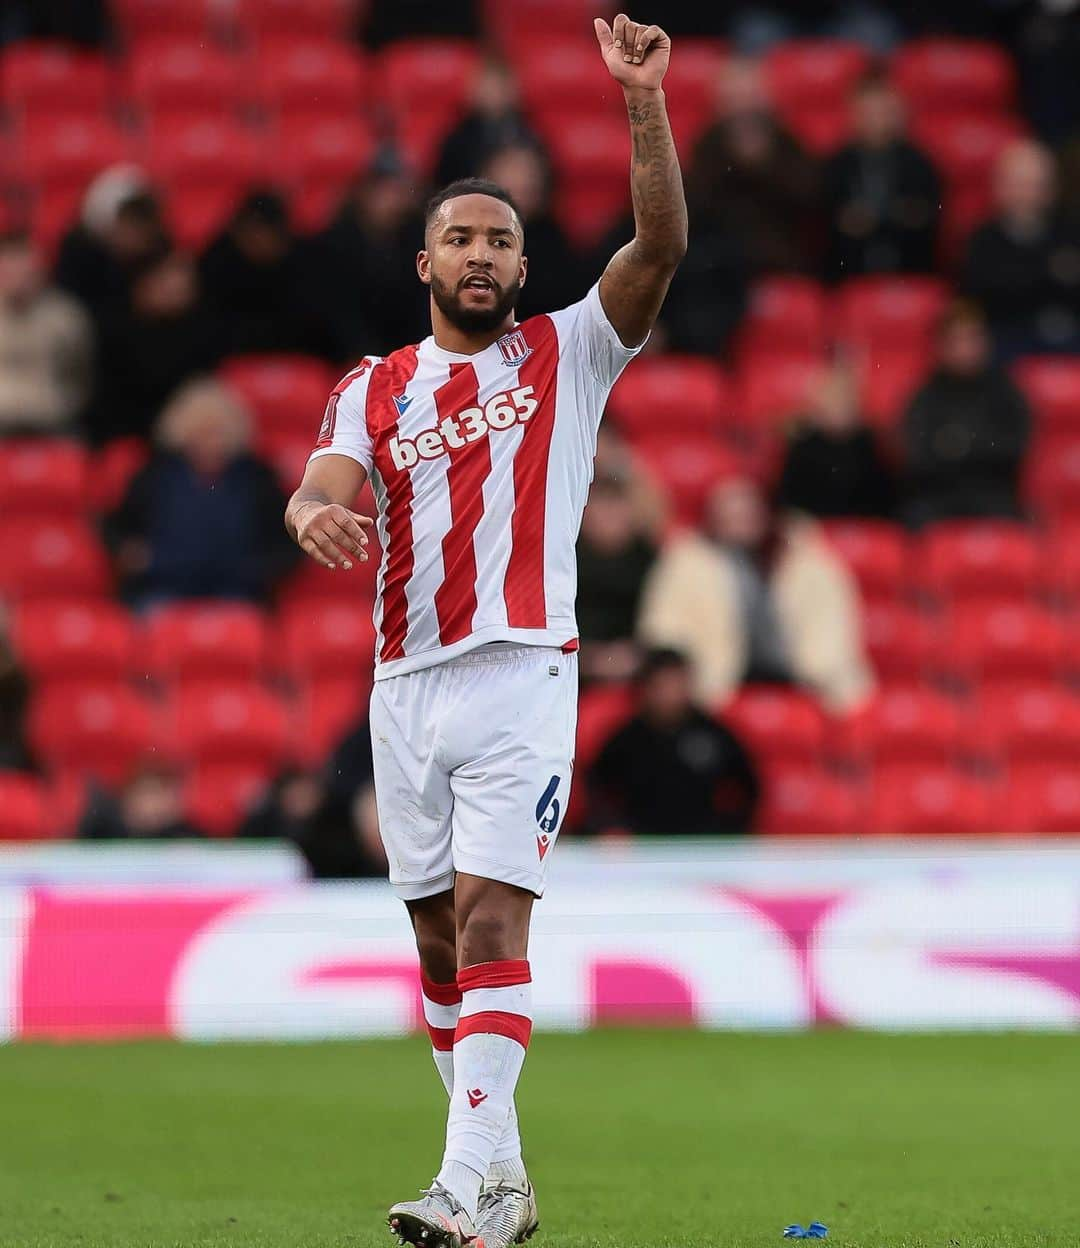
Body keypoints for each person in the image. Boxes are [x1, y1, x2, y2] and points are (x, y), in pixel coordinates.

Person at [283, 15, 686, 1246]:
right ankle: (502, 1180)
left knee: (496, 917)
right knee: (438, 939)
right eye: (459, 236)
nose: (480, 253)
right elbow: (323, 482)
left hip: (522, 669)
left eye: (500, 240)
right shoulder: (375, 383)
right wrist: (311, 513)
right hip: (403, 684)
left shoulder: (571, 351)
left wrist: (641, 105)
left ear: (520, 267)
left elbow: (661, 242)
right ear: (424, 262)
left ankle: (464, 1187)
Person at [639, 475, 872, 711]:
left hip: (799, 680)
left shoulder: (808, 562)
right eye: (728, 516)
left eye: (746, 515)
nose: (738, 524)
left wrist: (814, 672)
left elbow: (830, 629)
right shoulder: (685, 563)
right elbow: (665, 630)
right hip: (717, 683)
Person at [105, 379, 298, 607]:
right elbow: (118, 528)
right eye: (201, 431)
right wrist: (132, 554)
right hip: (162, 588)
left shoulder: (257, 476)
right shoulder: (155, 473)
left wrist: (260, 567)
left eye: (217, 431)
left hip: (237, 592)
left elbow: (287, 539)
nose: (209, 441)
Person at [588, 647, 760, 835]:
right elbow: (598, 791)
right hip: (640, 846)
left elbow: (747, 787)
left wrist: (727, 831)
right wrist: (611, 827)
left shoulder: (714, 734)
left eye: (677, 684)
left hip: (703, 844)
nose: (671, 695)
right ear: (646, 688)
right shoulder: (627, 739)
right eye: (663, 685)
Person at [900, 300, 1031, 528]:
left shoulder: (1005, 392)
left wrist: (956, 446)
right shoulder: (925, 396)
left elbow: (1014, 448)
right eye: (956, 341)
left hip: (994, 497)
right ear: (940, 346)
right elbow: (918, 457)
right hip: (938, 499)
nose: (964, 349)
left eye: (971, 339)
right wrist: (977, 445)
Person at [686, 54, 821, 275]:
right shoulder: (704, 151)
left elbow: (810, 203)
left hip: (784, 263)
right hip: (719, 268)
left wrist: (764, 166)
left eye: (751, 97)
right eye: (735, 98)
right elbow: (696, 209)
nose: (744, 107)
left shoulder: (789, 146)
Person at [962, 139, 1080, 361]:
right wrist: (1051, 273)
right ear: (999, 187)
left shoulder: (1071, 233)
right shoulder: (983, 239)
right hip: (1007, 340)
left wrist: (1023, 276)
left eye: (1036, 185)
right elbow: (984, 295)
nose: (1027, 194)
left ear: (1052, 189)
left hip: (1069, 334)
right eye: (1018, 184)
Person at [90, 247, 221, 445]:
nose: (178, 286)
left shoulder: (203, 331)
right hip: (128, 432)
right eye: (167, 278)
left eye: (185, 281)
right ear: (143, 284)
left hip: (187, 435)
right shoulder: (114, 329)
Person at [823, 67, 941, 280]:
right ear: (852, 113)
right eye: (867, 112)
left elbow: (927, 219)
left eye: (883, 111)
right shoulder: (836, 165)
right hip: (849, 276)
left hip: (909, 273)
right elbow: (830, 224)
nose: (875, 120)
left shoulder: (920, 164)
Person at [313, 150, 429, 361]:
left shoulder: (417, 239)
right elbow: (336, 311)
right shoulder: (336, 243)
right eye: (386, 190)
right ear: (366, 191)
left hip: (408, 354)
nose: (393, 199)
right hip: (346, 356)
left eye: (400, 190)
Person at [199, 189, 333, 359]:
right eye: (251, 235)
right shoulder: (218, 262)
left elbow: (319, 326)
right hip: (231, 365)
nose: (259, 242)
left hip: (299, 360)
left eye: (263, 234)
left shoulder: (309, 264)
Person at [0, 227, 92, 437]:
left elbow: (82, 373)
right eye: (9, 271)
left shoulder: (66, 316)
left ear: (42, 271)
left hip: (52, 426)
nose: (19, 280)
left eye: (26, 272)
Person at [774, 360, 896, 518]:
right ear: (818, 404)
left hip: (865, 531)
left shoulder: (873, 445)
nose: (839, 404)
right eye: (832, 397)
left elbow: (888, 503)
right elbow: (791, 507)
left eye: (846, 397)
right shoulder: (802, 447)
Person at [53, 166, 170, 325]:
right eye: (127, 222)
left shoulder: (160, 251)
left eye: (140, 222)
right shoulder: (79, 254)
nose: (135, 234)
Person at [479, 144, 582, 323]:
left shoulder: (558, 248)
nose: (521, 181)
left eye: (526, 175)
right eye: (511, 170)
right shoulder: (469, 245)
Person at [576, 472, 659, 685]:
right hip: (575, 670)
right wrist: (591, 660)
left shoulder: (649, 560)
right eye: (603, 508)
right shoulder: (567, 561)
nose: (610, 517)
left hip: (640, 674)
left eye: (617, 507)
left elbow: (663, 623)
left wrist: (638, 655)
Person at [435, 59, 546, 189]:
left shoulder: (529, 133)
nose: (493, 93)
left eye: (499, 86)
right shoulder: (457, 139)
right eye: (488, 86)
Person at [77, 761, 202, 840]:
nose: (154, 804)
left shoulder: (187, 838)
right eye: (149, 792)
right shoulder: (101, 833)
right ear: (129, 796)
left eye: (160, 794)